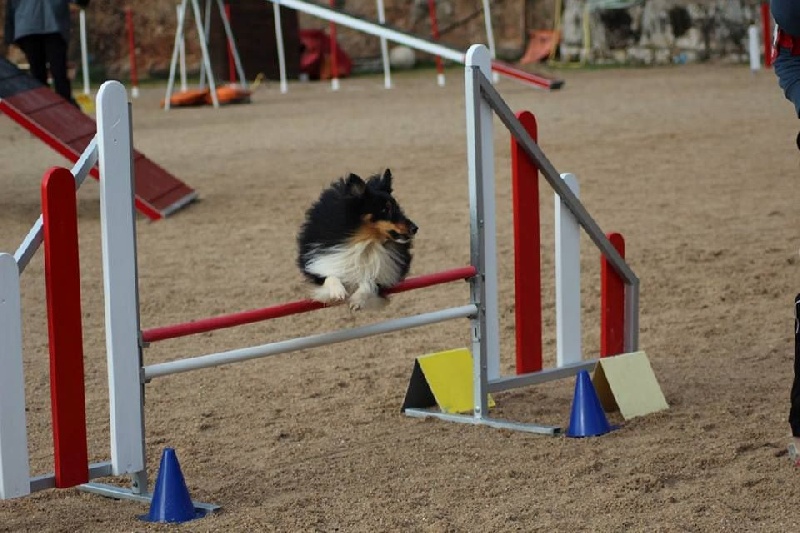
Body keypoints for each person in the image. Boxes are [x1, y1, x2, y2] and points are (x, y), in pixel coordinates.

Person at [3, 0, 90, 107]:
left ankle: (58, 102)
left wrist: (9, 34)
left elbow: (10, 5)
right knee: (55, 70)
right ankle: (57, 101)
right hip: (45, 25)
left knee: (47, 71)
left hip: (32, 26)